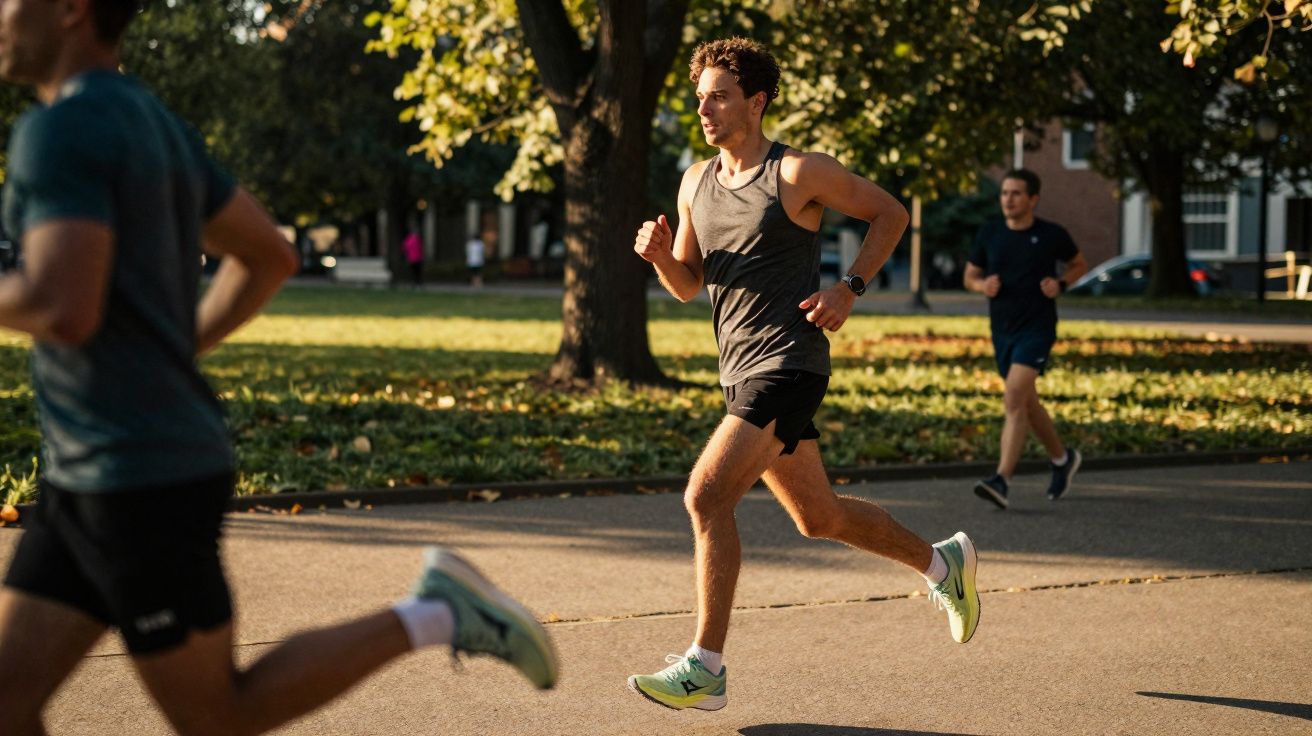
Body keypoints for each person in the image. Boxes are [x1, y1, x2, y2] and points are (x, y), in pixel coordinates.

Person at [0, 2, 557, 734]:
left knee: (218, 713)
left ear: (71, 9)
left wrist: (164, 348)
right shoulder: (151, 119)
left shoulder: (59, 128)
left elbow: (61, 303)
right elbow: (270, 254)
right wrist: (175, 346)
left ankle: (433, 615)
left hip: (139, 475)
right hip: (92, 472)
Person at [628, 37, 980, 712]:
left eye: (719, 95)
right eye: (700, 95)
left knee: (705, 498)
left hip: (789, 361)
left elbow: (891, 214)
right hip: (740, 367)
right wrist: (657, 258)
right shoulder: (695, 181)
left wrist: (849, 287)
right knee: (818, 517)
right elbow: (687, 283)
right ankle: (944, 564)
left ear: (755, 103)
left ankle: (706, 667)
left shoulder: (797, 173)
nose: (705, 107)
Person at [963, 169, 1089, 509]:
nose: (1008, 199)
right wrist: (982, 285)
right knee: (1026, 404)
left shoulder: (1051, 234)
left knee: (1014, 396)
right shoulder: (990, 233)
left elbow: (1078, 264)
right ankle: (1063, 460)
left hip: (1037, 328)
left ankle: (1001, 480)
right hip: (1002, 329)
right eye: (1005, 193)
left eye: (1016, 193)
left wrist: (1060, 284)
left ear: (1033, 199)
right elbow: (970, 275)